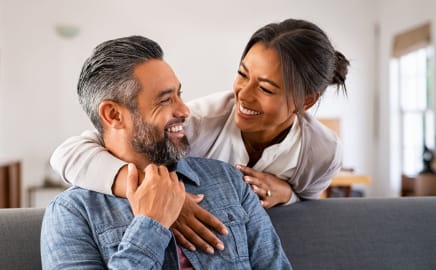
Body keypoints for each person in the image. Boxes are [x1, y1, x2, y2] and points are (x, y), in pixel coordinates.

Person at [50, 18, 350, 253]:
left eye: (266, 88)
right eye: (242, 74)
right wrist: (155, 194)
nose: (243, 95)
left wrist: (287, 194)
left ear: (305, 101)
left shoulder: (321, 153)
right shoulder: (201, 121)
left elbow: (308, 207)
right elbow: (68, 154)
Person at [40, 35, 297, 270]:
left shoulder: (229, 180)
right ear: (113, 115)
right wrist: (150, 225)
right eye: (165, 100)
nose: (184, 110)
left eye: (179, 94)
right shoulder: (71, 213)